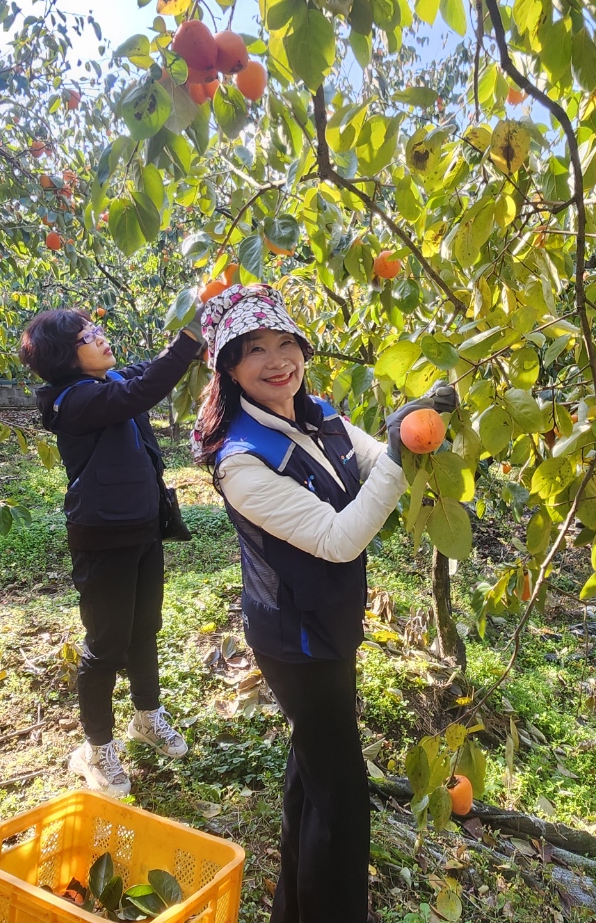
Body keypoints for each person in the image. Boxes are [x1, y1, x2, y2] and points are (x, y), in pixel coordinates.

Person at [192, 284, 456, 923]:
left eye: (287, 344)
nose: (277, 360)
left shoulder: (321, 415)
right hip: (295, 641)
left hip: (330, 623)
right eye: (256, 349)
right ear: (229, 368)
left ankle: (294, 909)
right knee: (342, 797)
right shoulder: (242, 461)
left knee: (311, 774)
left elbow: (371, 460)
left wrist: (412, 426)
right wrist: (398, 452)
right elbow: (339, 540)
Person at [20, 308, 203, 798]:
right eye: (88, 336)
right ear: (66, 356)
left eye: (98, 330)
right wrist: (189, 337)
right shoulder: (71, 401)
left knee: (145, 627)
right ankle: (96, 749)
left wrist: (190, 346)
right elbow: (140, 393)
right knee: (105, 644)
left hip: (143, 528)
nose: (102, 338)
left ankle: (147, 716)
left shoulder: (110, 379)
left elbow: (144, 373)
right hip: (102, 537)